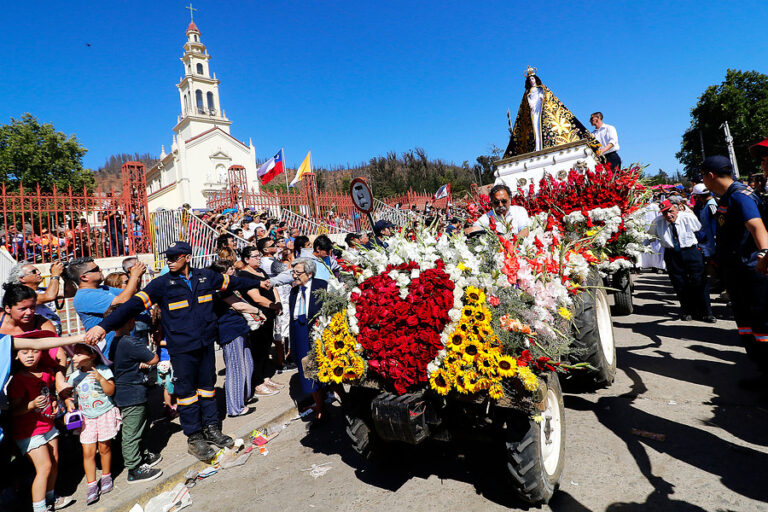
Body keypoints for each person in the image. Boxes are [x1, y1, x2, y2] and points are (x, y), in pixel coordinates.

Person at [85, 241, 267, 461]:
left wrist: (262, 283)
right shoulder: (161, 285)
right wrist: (103, 326)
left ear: (187, 258)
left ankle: (211, 428)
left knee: (208, 388)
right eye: (168, 258)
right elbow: (131, 306)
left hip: (206, 346)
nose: (169, 261)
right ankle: (195, 437)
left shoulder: (206, 277)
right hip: (181, 350)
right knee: (187, 394)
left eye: (174, 257)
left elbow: (234, 281)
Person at [700, 155, 768, 363]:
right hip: (737, 272)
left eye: (703, 177)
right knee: (746, 324)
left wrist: (764, 253)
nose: (703, 181)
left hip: (750, 271)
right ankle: (759, 370)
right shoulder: (730, 195)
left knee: (760, 325)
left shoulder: (739, 196)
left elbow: (756, 226)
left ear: (710, 176)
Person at [8, 348, 73, 511]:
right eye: (24, 352)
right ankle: (39, 507)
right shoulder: (17, 380)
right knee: (44, 467)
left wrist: (53, 402)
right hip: (28, 431)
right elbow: (13, 411)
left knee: (54, 462)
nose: (30, 356)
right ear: (16, 355)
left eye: (34, 351)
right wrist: (32, 405)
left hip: (47, 425)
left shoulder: (46, 372)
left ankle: (51, 498)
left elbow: (49, 393)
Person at [104, 305, 163, 483]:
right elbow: (153, 359)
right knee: (133, 431)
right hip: (132, 392)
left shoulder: (114, 342)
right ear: (130, 322)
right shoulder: (131, 342)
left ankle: (142, 456)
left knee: (141, 427)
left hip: (129, 391)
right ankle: (134, 468)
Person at [64, 343, 120, 505]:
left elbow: (111, 391)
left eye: (79, 354)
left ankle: (106, 476)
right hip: (87, 418)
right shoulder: (74, 377)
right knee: (88, 452)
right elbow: (68, 395)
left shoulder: (103, 370)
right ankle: (91, 485)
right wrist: (69, 403)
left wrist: (101, 379)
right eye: (74, 354)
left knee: (104, 447)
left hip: (104, 414)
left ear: (92, 356)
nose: (74, 357)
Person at [210, 259, 263, 416]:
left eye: (232, 268)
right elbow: (238, 305)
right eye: (228, 269)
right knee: (236, 369)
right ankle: (235, 408)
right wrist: (258, 311)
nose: (232, 271)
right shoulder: (220, 288)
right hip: (229, 332)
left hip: (239, 329)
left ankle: (244, 397)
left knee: (248, 364)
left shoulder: (229, 287)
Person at [648, 200, 715, 322]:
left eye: (670, 211)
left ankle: (707, 312)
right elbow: (649, 237)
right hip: (672, 254)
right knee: (679, 283)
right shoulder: (658, 222)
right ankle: (687, 311)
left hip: (691, 251)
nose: (668, 215)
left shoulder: (687, 217)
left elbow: (699, 229)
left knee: (699, 280)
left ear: (676, 209)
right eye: (664, 213)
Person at [68, 256, 146, 354]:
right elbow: (123, 300)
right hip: (111, 353)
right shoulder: (85, 296)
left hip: (125, 347)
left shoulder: (103, 288)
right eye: (96, 269)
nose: (100, 269)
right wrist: (134, 276)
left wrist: (138, 275)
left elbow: (131, 293)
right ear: (84, 277)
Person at [237, 246, 284, 397]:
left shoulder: (260, 271)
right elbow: (256, 298)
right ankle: (257, 383)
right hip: (258, 317)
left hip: (269, 314)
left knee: (265, 347)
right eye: (255, 256)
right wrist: (273, 305)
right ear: (246, 259)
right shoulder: (244, 275)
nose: (259, 258)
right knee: (258, 349)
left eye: (259, 255)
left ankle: (265, 377)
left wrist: (277, 302)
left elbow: (272, 287)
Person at [288, 258, 328, 420]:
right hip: (300, 332)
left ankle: (338, 399)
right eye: (293, 272)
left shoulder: (321, 286)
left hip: (317, 331)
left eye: (298, 273)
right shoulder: (294, 290)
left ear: (309, 274)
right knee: (307, 370)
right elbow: (292, 317)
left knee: (324, 367)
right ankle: (319, 406)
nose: (294, 276)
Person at [7, 261, 65, 334]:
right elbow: (50, 296)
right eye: (34, 271)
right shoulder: (22, 294)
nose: (39, 273)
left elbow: (70, 292)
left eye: (37, 270)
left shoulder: (44, 290)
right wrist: (55, 275)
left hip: (53, 332)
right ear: (22, 278)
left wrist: (65, 276)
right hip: (41, 335)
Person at [691, 184, 718, 261]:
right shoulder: (705, 205)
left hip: (715, 243)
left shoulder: (712, 205)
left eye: (695, 197)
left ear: (699, 196)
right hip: (709, 242)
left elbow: (718, 222)